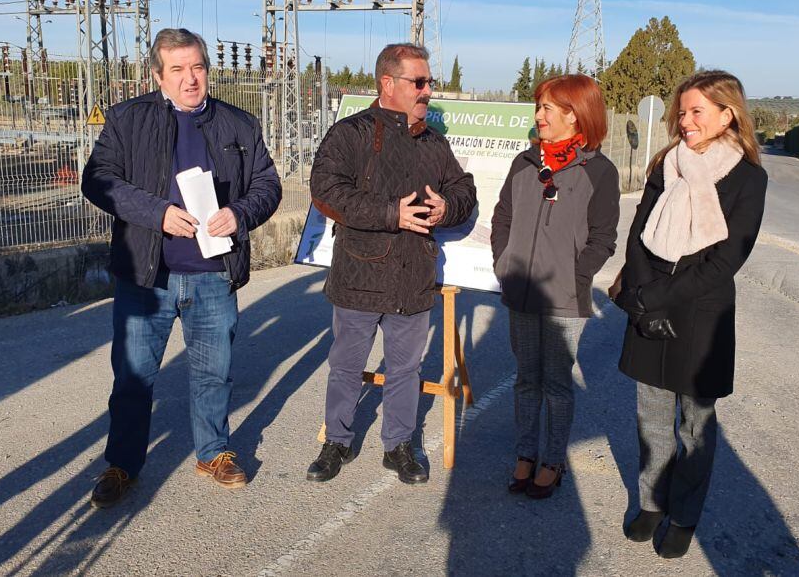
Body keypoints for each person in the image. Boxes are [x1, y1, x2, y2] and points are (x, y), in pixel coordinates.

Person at [81, 28, 282, 508]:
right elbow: (98, 180)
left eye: (197, 67)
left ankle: (213, 451)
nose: (190, 79)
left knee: (214, 372)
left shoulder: (238, 124)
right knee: (133, 377)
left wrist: (241, 213)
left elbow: (268, 185)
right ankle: (122, 463)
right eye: (178, 69)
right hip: (146, 277)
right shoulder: (127, 120)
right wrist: (157, 213)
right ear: (157, 75)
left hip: (213, 274)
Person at [306, 43, 477, 485]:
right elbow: (325, 189)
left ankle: (399, 444)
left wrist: (448, 208)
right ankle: (337, 441)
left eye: (428, 83)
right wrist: (389, 214)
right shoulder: (351, 133)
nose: (427, 91)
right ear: (388, 84)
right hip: (360, 274)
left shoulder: (434, 144)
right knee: (346, 365)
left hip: (413, 276)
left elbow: (465, 190)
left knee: (405, 368)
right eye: (418, 82)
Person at [613, 70, 768, 557]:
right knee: (652, 418)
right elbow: (639, 232)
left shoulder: (748, 178)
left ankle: (684, 514)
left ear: (728, 115)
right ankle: (653, 502)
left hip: (701, 316)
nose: (685, 121)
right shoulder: (666, 164)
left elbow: (726, 261)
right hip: (649, 302)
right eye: (682, 111)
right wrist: (638, 292)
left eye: (696, 111)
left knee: (695, 426)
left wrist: (655, 299)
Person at [491, 74, 621, 499]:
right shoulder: (525, 163)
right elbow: (502, 219)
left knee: (557, 383)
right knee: (526, 379)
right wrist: (503, 263)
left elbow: (603, 237)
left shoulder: (599, 171)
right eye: (539, 107)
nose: (538, 115)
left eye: (548, 107)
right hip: (520, 292)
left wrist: (577, 276)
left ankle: (552, 461)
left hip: (565, 298)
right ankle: (525, 455)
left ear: (574, 113)